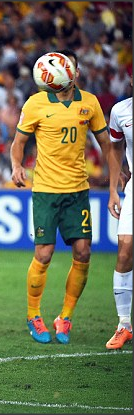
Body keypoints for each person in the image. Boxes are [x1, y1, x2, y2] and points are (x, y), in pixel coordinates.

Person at [10, 49, 117, 345]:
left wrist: (115, 180)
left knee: (83, 252)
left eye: (71, 67)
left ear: (76, 72)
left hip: (77, 191)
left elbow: (107, 145)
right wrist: (16, 165)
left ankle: (65, 317)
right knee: (44, 254)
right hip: (46, 191)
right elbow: (18, 142)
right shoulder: (36, 103)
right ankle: (34, 315)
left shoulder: (90, 103)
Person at [105, 92, 132, 349]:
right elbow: (115, 148)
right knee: (124, 250)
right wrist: (113, 189)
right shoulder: (120, 111)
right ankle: (124, 325)